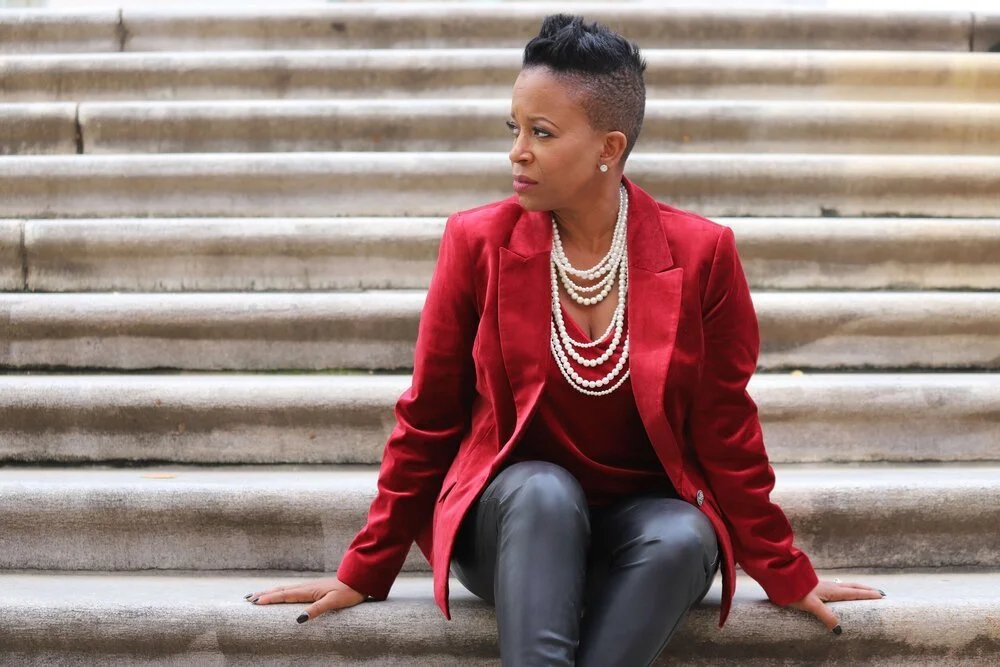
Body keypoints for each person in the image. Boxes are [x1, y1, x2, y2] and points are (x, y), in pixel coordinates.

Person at [245, 14, 885, 665]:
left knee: (683, 532)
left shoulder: (702, 255)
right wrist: (366, 567)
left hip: (641, 537)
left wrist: (784, 570)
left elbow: (726, 430)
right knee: (543, 489)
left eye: (542, 132)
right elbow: (430, 416)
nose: (517, 151)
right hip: (510, 530)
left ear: (609, 147)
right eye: (515, 128)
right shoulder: (477, 242)